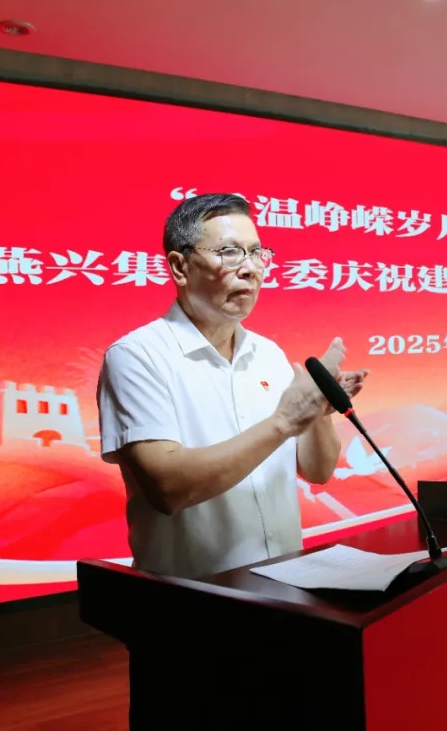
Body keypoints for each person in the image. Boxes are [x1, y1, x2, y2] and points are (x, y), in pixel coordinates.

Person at [96, 192, 368, 728]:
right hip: (190, 615)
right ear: (179, 266)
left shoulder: (268, 354)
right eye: (230, 253)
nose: (251, 269)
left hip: (286, 599)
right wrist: (285, 420)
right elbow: (168, 487)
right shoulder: (137, 357)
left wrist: (317, 410)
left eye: (258, 253)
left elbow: (317, 470)